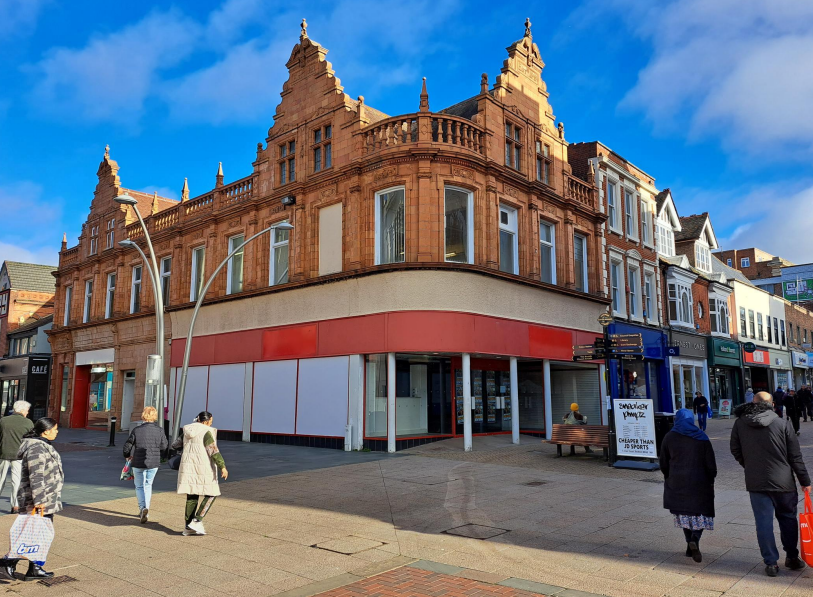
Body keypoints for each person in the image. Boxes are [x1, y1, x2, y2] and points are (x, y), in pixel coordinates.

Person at [730, 391, 811, 576]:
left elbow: (735, 449)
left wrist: (749, 465)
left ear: (753, 402)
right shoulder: (782, 424)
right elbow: (795, 457)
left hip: (756, 481)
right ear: (772, 404)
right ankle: (791, 557)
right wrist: (805, 481)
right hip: (783, 482)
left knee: (763, 523)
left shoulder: (740, 423)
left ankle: (771, 563)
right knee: (788, 519)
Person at [0, 418, 63, 581]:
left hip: (45, 497)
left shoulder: (41, 444)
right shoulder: (36, 447)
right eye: (55, 429)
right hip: (38, 500)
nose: (57, 431)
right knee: (30, 534)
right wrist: (40, 500)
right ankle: (7, 563)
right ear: (45, 430)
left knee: (39, 534)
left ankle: (34, 568)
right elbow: (36, 475)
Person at [660, 408, 717, 563]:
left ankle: (689, 543)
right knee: (700, 514)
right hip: (700, 483)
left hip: (678, 482)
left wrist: (669, 476)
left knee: (684, 514)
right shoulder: (702, 437)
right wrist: (711, 478)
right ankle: (695, 539)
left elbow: (663, 462)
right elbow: (710, 464)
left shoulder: (669, 437)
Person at [173, 411, 228, 536]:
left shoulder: (187, 429)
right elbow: (214, 451)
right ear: (207, 420)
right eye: (211, 421)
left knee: (192, 495)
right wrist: (222, 467)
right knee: (212, 493)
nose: (211, 423)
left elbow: (175, 444)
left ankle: (188, 527)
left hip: (188, 467)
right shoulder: (206, 432)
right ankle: (197, 520)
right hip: (203, 468)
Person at [123, 406, 168, 524]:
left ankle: (142, 508)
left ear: (143, 415)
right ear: (155, 416)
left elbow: (127, 445)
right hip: (153, 462)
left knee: (139, 486)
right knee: (148, 485)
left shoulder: (137, 430)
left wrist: (127, 455)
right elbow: (164, 446)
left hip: (138, 461)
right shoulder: (159, 430)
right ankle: (146, 508)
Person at [0, 401, 33, 514]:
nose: (27, 413)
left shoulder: (3, 421)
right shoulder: (28, 423)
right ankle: (15, 505)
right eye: (27, 410)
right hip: (19, 456)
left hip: (3, 453)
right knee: (17, 481)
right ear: (23, 410)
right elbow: (30, 440)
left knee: (0, 479)